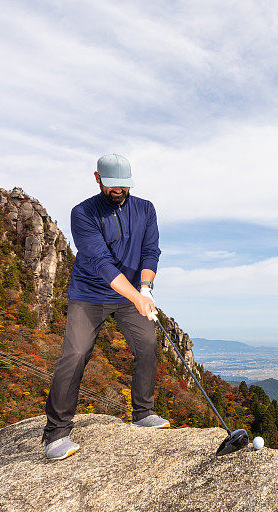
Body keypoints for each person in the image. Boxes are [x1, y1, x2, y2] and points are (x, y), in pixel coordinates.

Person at [42, 153, 170, 460]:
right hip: (89, 294)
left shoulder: (145, 209)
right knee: (75, 353)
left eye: (124, 186)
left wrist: (145, 288)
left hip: (130, 295)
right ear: (98, 179)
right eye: (112, 185)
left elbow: (151, 251)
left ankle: (142, 414)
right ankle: (56, 434)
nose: (119, 191)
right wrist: (136, 297)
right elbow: (100, 262)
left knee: (148, 345)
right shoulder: (83, 213)